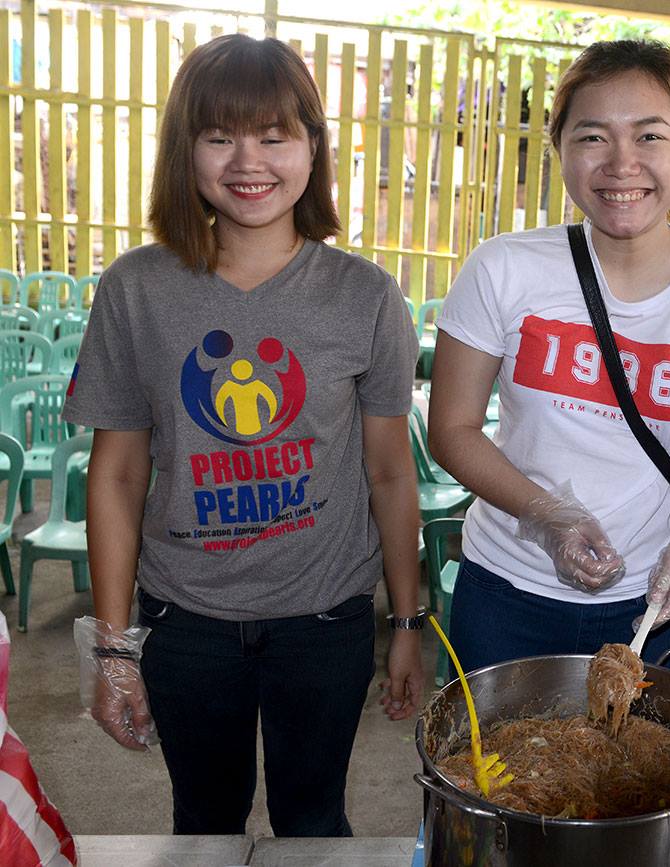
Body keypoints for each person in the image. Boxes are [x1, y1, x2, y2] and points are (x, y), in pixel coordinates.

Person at [65, 34, 423, 836]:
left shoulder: (366, 295)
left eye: (273, 135)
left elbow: (390, 471)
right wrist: (115, 649)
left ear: (312, 148)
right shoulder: (136, 288)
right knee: (204, 821)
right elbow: (116, 475)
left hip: (325, 619)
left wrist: (406, 623)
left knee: (314, 821)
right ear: (184, 150)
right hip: (184, 619)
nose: (248, 161)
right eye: (220, 136)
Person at [425, 40, 670, 674]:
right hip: (507, 590)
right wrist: (546, 515)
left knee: (648, 745)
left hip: (655, 600)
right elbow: (452, 430)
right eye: (592, 137)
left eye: (650, 136)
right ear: (559, 149)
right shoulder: (503, 269)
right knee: (496, 744)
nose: (622, 164)